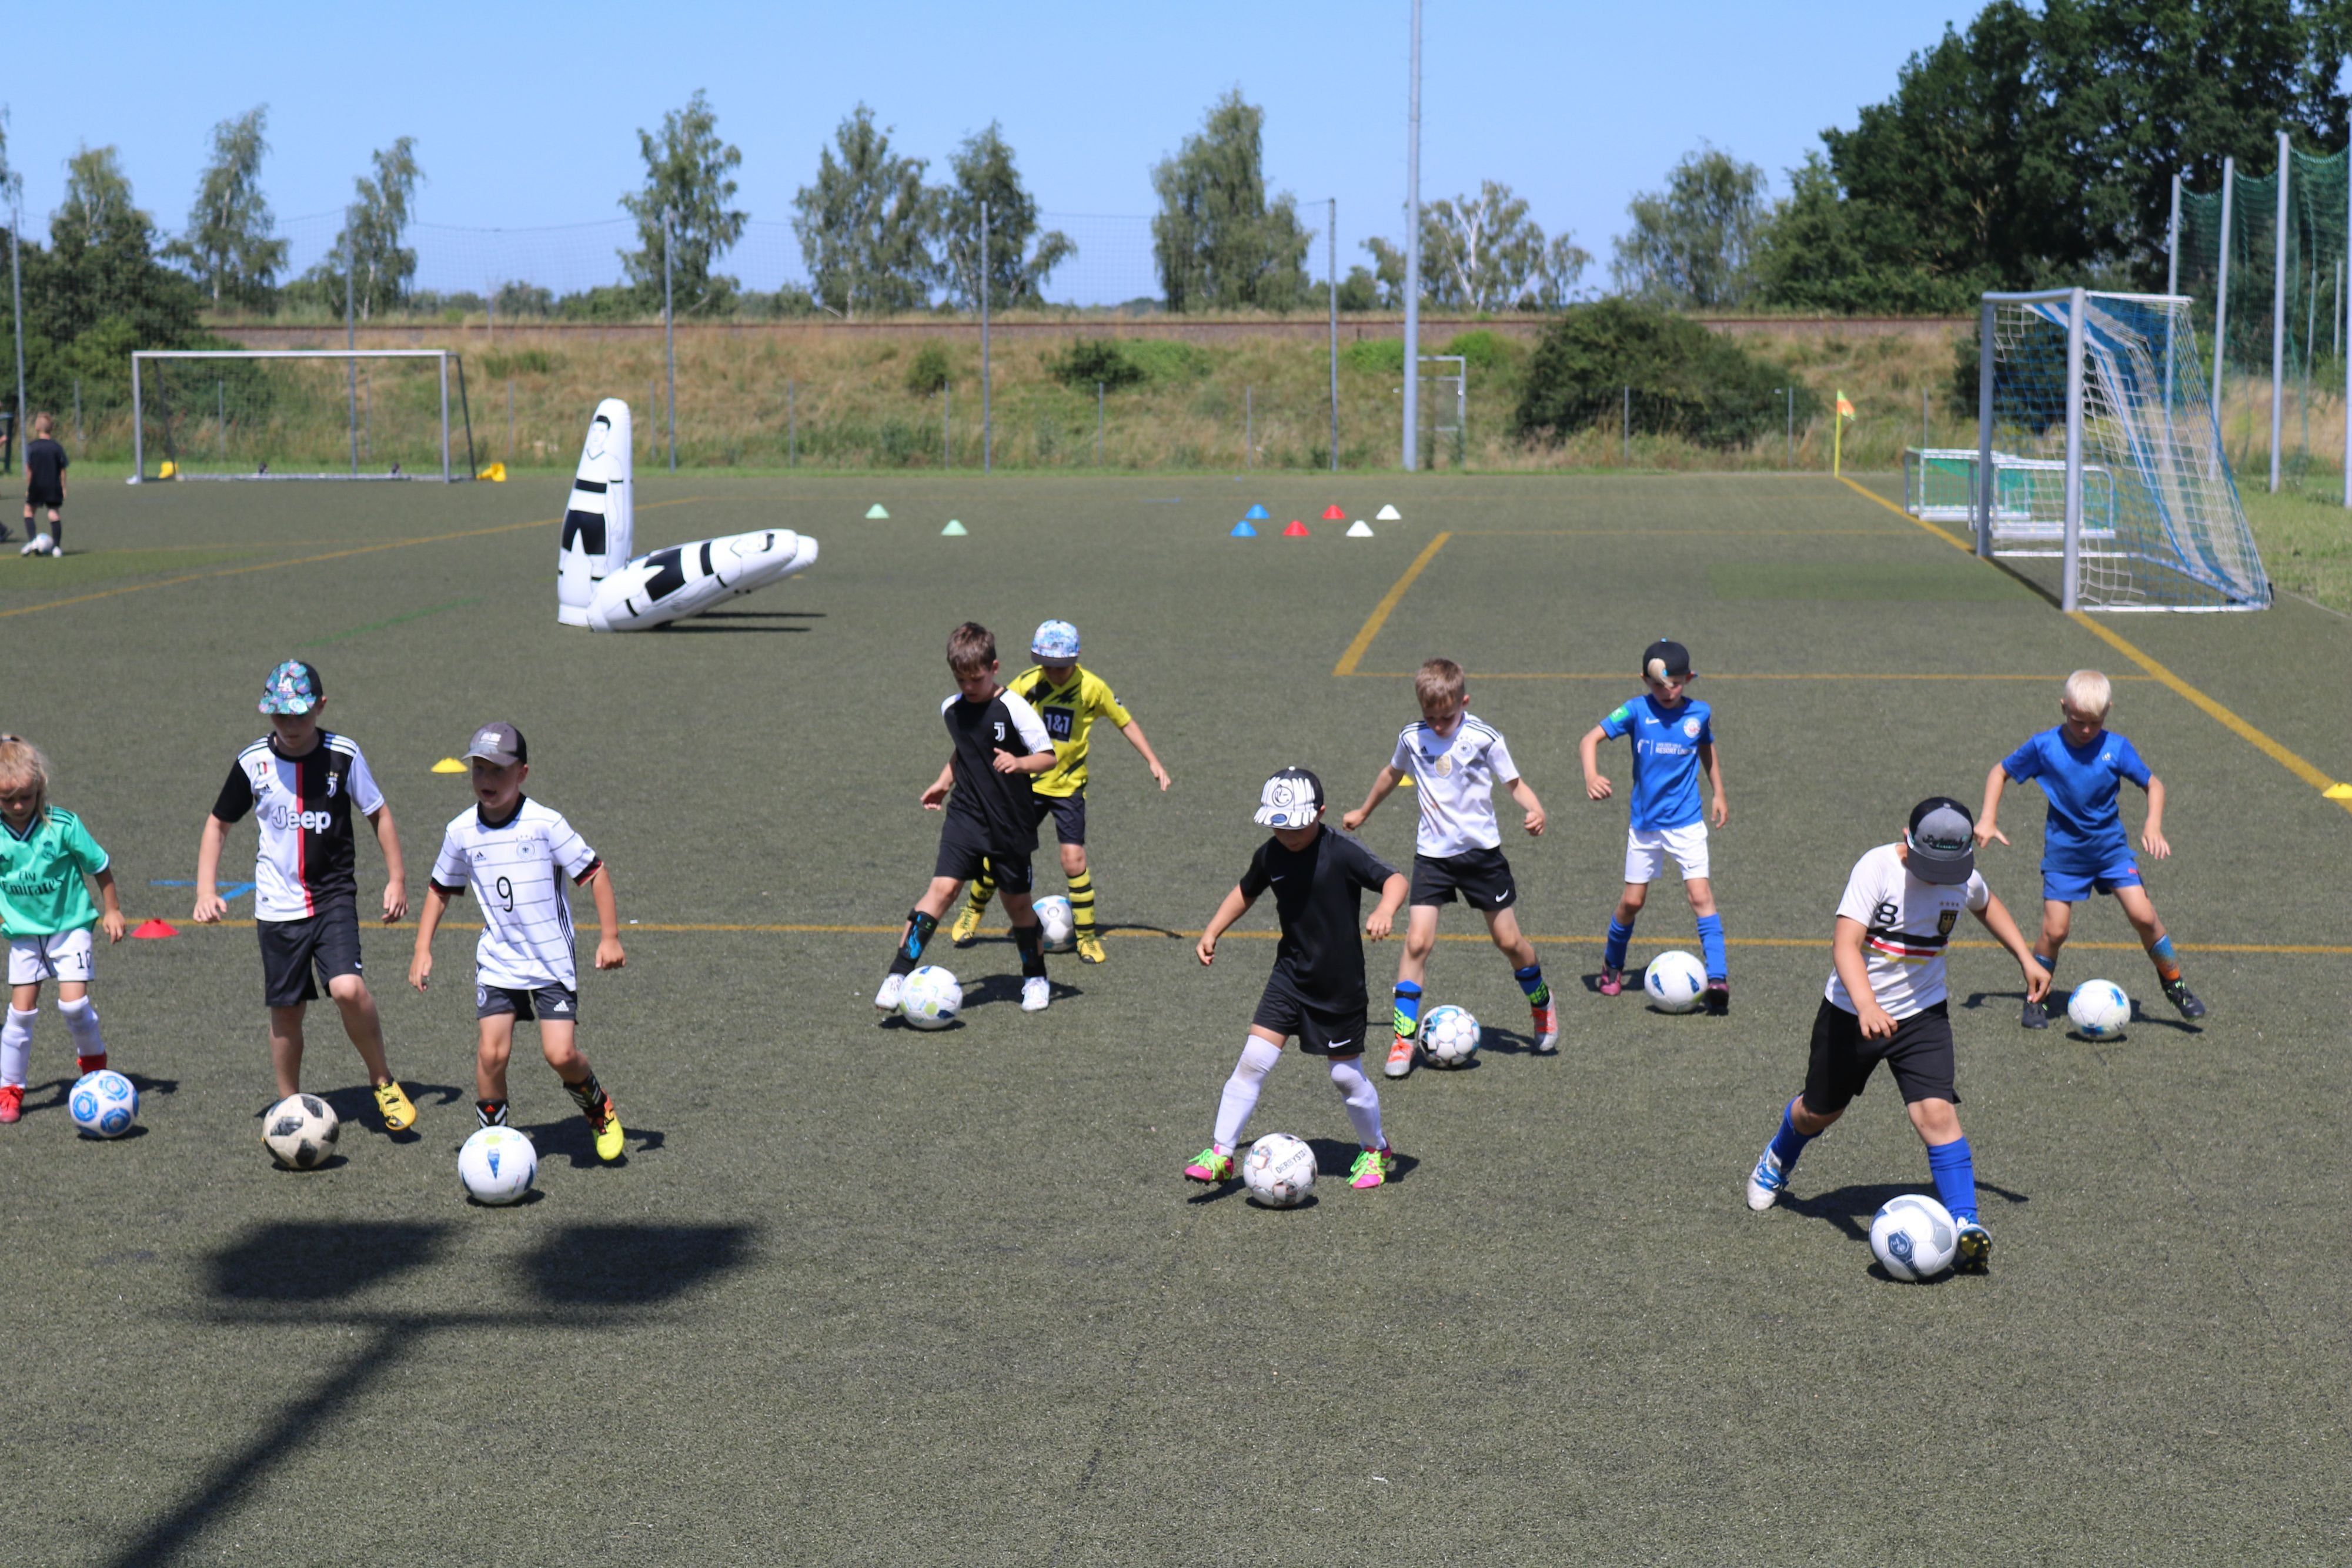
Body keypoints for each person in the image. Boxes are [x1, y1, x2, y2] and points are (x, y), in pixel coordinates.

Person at [1743, 798, 2050, 1274]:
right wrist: (1866, 1003)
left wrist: (2026, 958)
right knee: (1820, 1110)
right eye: (1930, 865)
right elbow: (1845, 943)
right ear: (1908, 842)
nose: (1939, 876)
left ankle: (1966, 1223)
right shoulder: (1877, 868)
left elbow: (1986, 905)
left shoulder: (1960, 874)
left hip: (1923, 1015)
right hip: (1852, 1012)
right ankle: (1779, 1154)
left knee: (1935, 1114)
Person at [193, 660, 417, 1129]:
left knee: (347, 987)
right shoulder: (252, 761)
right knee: (287, 1010)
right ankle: (287, 1106)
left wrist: (396, 878)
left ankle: (383, 1081)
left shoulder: (344, 755)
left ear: (320, 706)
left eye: (299, 715)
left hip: (333, 897)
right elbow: (219, 823)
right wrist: (205, 889)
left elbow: (380, 814)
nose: (290, 726)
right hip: (276, 908)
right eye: (280, 716)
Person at [410, 723, 627, 1162]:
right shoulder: (461, 832)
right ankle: (494, 1139)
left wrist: (610, 937)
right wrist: (422, 948)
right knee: (492, 1050)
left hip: (550, 959)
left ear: (522, 773)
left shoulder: (546, 825)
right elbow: (439, 889)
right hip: (500, 959)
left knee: (560, 1053)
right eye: (479, 770)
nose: (487, 780)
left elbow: (596, 873)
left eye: (499, 770)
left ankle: (598, 1106)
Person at [1185, 767, 1411, 1191]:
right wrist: (1213, 929)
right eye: (1278, 824)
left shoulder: (1342, 851)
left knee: (1345, 1076)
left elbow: (1395, 879)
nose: (1286, 834)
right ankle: (1220, 1154)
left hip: (1339, 986)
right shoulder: (1270, 854)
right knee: (1253, 1059)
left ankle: (1375, 1149)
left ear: (1320, 813)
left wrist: (1386, 909)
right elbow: (1246, 891)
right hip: (1289, 976)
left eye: (1296, 825)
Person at [1341, 657, 1556, 1078]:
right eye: (1431, 717)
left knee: (1509, 942)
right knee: (1418, 942)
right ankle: (1403, 1039)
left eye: (1447, 716)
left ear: (1464, 701)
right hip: (1433, 856)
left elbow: (1515, 783)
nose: (1438, 725)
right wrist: (1365, 810)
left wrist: (1536, 810)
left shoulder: (1484, 737)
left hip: (1482, 857)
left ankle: (1542, 1003)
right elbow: (1391, 773)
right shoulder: (1412, 736)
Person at [1976, 670, 2204, 1027]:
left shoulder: (2117, 748)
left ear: (2108, 712)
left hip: (2111, 852)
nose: (2085, 730)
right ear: (2063, 707)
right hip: (2065, 857)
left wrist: (2153, 824)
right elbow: (1999, 772)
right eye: (2077, 720)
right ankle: (2037, 996)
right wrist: (1988, 818)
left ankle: (2175, 983)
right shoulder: (2044, 746)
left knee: (2143, 916)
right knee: (2055, 931)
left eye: (2094, 723)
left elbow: (2153, 785)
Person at [950, 619, 1173, 965]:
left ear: (1076, 659)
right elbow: (993, 713)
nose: (1054, 674)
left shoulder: (1092, 688)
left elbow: (1124, 721)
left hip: (1068, 787)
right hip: (1027, 786)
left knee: (1074, 860)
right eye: (1047, 666)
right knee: (1002, 853)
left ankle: (1086, 938)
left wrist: (1153, 761)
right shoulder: (1027, 684)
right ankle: (972, 911)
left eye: (1061, 667)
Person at [874, 623, 1060, 1016]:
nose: (969, 686)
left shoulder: (1014, 708)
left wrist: (1019, 762)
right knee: (942, 890)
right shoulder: (952, 709)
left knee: (1018, 906)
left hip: (1011, 823)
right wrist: (944, 782)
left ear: (994, 667)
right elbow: (963, 751)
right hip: (967, 816)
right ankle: (897, 973)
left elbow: (1048, 756)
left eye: (976, 678)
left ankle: (1035, 977)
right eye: (961, 679)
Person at [1581, 638, 1731, 1010]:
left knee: (1701, 896)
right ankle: (1612, 965)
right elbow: (1590, 739)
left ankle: (1718, 978)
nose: (1667, 692)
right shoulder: (1635, 710)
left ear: (1690, 678)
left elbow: (1707, 751)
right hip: (1645, 826)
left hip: (1687, 823)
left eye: (1676, 683)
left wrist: (1719, 793)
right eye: (1659, 685)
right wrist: (1591, 775)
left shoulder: (1700, 714)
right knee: (1633, 902)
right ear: (1645, 681)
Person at [0, 737, 124, 1123]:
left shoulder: (63, 824)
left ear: (41, 786)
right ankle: (10, 1088)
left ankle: (94, 1071)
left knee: (73, 1004)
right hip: (24, 935)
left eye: (26, 795)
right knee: (20, 1015)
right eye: (8, 799)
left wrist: (113, 910)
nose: (19, 806)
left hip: (69, 928)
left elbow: (99, 865)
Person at [21, 412, 67, 558]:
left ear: (36, 428)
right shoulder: (57, 447)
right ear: (52, 428)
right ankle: (57, 548)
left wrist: (29, 487)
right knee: (53, 514)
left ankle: (33, 541)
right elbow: (62, 470)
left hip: (37, 485)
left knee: (29, 512)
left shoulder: (32, 447)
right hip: (53, 486)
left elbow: (29, 469)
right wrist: (64, 487)